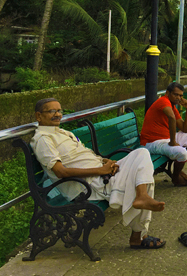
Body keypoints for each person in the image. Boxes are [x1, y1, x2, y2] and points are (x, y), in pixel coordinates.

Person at [31, 98, 167, 250]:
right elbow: (60, 172)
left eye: (59, 110)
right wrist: (100, 170)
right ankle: (139, 234)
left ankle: (142, 199)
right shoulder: (43, 139)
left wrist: (104, 161)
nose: (57, 114)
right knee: (141, 177)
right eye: (51, 111)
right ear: (38, 116)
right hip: (89, 184)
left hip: (100, 173)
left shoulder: (63, 132)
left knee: (142, 154)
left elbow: (84, 155)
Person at [140, 82, 187, 186]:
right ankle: (177, 177)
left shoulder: (173, 106)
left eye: (181, 95)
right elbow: (171, 117)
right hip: (152, 142)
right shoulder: (163, 101)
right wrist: (173, 142)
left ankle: (177, 172)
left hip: (165, 138)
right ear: (167, 93)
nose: (178, 98)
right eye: (175, 94)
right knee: (182, 153)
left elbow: (185, 129)